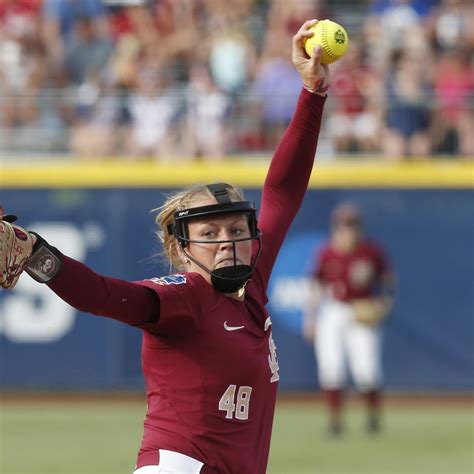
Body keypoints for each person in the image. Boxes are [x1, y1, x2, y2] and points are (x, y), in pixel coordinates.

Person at [0, 20, 329, 474]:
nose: (227, 242)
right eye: (209, 235)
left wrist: (312, 93)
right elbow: (103, 293)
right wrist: (38, 254)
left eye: (235, 229)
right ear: (181, 250)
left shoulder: (250, 285)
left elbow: (283, 190)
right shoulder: (187, 296)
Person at [303, 203, 396, 437]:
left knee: (366, 369)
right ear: (335, 227)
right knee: (331, 368)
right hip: (333, 310)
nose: (348, 230)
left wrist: (385, 302)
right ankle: (335, 422)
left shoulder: (370, 252)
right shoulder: (326, 252)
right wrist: (311, 318)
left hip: (361, 310)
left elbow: (389, 279)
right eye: (343, 225)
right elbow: (315, 285)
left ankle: (373, 418)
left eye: (352, 225)